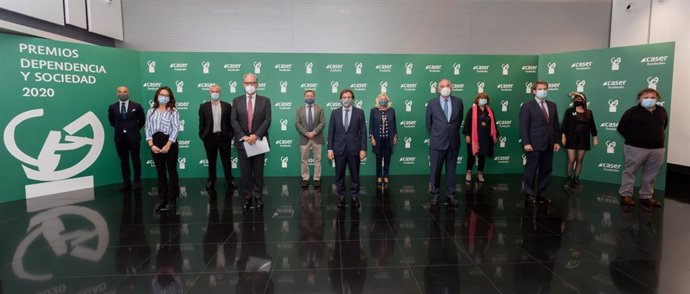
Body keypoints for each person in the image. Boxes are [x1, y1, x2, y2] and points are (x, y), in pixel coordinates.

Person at [617, 88, 668, 208]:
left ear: (657, 98)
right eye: (645, 97)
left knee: (651, 174)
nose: (649, 99)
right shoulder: (631, 112)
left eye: (652, 97)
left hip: (657, 149)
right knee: (630, 171)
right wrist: (634, 139)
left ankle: (646, 197)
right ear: (639, 99)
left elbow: (663, 126)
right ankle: (626, 195)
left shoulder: (662, 111)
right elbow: (621, 128)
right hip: (635, 148)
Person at [231, 73, 272, 211]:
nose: (250, 86)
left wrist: (256, 135)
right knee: (245, 173)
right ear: (243, 84)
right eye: (247, 83)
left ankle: (259, 198)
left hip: (258, 142)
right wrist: (244, 136)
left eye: (252, 83)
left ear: (257, 84)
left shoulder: (265, 101)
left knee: (258, 172)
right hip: (243, 143)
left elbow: (267, 120)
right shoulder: (236, 101)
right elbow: (234, 120)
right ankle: (247, 198)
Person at [519, 80, 560, 206]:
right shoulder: (527, 106)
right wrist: (526, 142)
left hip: (549, 143)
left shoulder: (552, 105)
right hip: (533, 144)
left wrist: (557, 141)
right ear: (534, 91)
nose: (543, 91)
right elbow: (523, 126)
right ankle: (529, 195)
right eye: (540, 89)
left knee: (546, 170)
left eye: (545, 88)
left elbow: (556, 125)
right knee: (531, 170)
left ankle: (541, 195)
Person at [426, 78, 464, 207]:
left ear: (451, 87)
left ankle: (451, 195)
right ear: (438, 89)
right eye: (442, 86)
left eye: (448, 85)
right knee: (435, 170)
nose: (445, 87)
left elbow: (458, 121)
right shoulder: (432, 103)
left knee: (451, 170)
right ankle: (435, 195)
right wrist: (439, 134)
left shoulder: (459, 101)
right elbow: (429, 124)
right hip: (437, 142)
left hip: (453, 142)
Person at [328, 89, 367, 208]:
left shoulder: (359, 112)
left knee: (355, 175)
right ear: (340, 99)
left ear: (353, 99)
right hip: (339, 149)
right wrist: (329, 149)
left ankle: (354, 196)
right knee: (339, 175)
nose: (346, 99)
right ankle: (341, 197)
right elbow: (331, 132)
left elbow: (363, 132)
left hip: (354, 149)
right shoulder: (334, 113)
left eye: (349, 97)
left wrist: (363, 149)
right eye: (344, 97)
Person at [145, 86, 181, 212]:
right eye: (161, 94)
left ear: (170, 98)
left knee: (171, 171)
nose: (163, 97)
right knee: (160, 172)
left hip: (169, 142)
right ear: (157, 96)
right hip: (155, 142)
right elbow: (147, 128)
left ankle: (172, 200)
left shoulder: (173, 111)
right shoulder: (151, 111)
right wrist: (151, 145)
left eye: (166, 95)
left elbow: (176, 128)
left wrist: (168, 145)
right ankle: (162, 199)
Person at [198, 84, 236, 192]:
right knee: (211, 161)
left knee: (226, 160)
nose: (215, 93)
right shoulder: (203, 106)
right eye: (213, 91)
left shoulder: (227, 106)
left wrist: (230, 134)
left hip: (224, 137)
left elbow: (231, 122)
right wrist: (203, 135)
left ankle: (229, 179)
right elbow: (201, 123)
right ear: (209, 93)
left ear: (220, 93)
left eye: (217, 91)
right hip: (209, 138)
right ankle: (211, 180)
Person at [108, 86, 145, 192]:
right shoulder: (112, 107)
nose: (122, 93)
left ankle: (137, 182)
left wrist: (133, 129)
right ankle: (126, 183)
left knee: (135, 160)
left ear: (128, 93)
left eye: (124, 92)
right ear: (117, 94)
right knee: (124, 161)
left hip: (134, 138)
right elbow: (112, 122)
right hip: (120, 138)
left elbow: (142, 121)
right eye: (120, 92)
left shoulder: (137, 106)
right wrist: (122, 129)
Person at [561, 92, 598, 190]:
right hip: (571, 139)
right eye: (575, 99)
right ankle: (569, 179)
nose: (577, 101)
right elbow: (564, 125)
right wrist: (563, 136)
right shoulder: (569, 111)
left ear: (584, 101)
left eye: (579, 99)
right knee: (571, 160)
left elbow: (592, 126)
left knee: (580, 160)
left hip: (583, 139)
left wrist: (595, 137)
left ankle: (576, 179)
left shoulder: (589, 112)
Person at [462, 92, 498, 183]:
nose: (483, 100)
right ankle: (469, 172)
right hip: (474, 137)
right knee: (471, 155)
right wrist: (467, 135)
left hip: (485, 137)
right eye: (481, 98)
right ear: (477, 100)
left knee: (482, 155)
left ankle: (480, 173)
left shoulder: (489, 110)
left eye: (485, 98)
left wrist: (495, 135)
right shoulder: (472, 110)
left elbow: (493, 123)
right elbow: (467, 123)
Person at [295, 90, 326, 188]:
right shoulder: (299, 109)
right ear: (304, 97)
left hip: (317, 137)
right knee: (304, 160)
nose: (309, 97)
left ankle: (317, 179)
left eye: (311, 96)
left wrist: (314, 132)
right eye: (307, 96)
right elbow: (297, 123)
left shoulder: (320, 108)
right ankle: (305, 178)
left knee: (318, 159)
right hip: (304, 138)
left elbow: (322, 122)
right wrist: (306, 133)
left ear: (314, 97)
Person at [369, 93, 398, 186]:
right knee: (378, 158)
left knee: (387, 158)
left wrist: (395, 136)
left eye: (384, 99)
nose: (383, 100)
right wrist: (371, 137)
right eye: (381, 99)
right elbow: (371, 125)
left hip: (388, 139)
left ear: (387, 100)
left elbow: (394, 124)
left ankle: (385, 175)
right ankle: (378, 176)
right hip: (378, 139)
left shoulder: (391, 110)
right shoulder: (373, 111)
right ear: (378, 100)